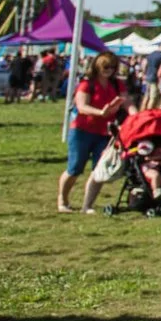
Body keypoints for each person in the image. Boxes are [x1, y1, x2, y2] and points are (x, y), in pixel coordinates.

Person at [61, 52, 129, 213]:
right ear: (97, 66)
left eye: (113, 67)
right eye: (106, 66)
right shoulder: (87, 84)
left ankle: (87, 205)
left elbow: (127, 102)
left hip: (105, 133)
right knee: (75, 168)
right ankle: (62, 200)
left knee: (99, 169)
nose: (109, 70)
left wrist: (136, 114)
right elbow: (82, 106)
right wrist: (101, 113)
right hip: (82, 130)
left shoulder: (118, 84)